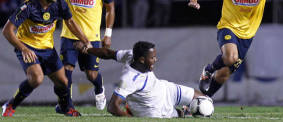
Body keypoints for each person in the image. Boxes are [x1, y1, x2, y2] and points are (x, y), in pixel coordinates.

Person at [28, 0, 115, 111]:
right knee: (67, 69)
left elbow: (110, 8)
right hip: (69, 35)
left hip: (92, 36)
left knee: (91, 75)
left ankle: (99, 89)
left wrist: (107, 34)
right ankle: (66, 104)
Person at [1, 0, 90, 117]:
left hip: (47, 49)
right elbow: (7, 30)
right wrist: (23, 49)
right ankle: (10, 105)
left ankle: (64, 107)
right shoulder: (28, 6)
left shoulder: (60, 3)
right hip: (27, 47)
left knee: (63, 81)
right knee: (37, 78)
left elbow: (70, 22)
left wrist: (85, 40)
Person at [73, 41, 207, 118]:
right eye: (152, 57)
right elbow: (112, 106)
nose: (156, 59)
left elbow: (108, 53)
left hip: (165, 89)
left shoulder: (131, 54)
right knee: (187, 115)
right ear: (142, 60)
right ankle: (182, 112)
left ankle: (187, 109)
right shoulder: (129, 79)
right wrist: (130, 119)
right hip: (155, 109)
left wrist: (87, 50)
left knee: (205, 101)